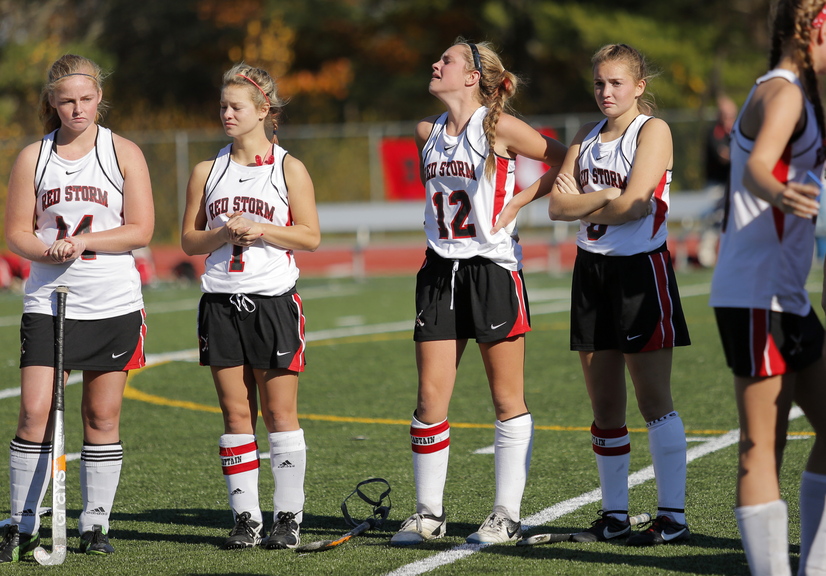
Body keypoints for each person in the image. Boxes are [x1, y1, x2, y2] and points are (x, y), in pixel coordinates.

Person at [390, 39, 567, 546]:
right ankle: (428, 514)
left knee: (506, 397)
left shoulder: (498, 126)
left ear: (472, 76)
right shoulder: (426, 131)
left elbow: (562, 159)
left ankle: (506, 515)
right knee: (429, 398)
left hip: (491, 269)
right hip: (438, 270)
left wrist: (518, 203)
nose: (435, 63)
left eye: (445, 60)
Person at [0, 54, 154, 561]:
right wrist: (48, 250)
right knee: (34, 411)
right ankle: (22, 522)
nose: (77, 109)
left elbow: (141, 230)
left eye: (86, 99)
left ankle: (95, 524)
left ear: (99, 98)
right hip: (50, 299)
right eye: (66, 100)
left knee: (101, 414)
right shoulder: (34, 158)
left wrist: (86, 240)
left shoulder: (123, 152)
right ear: (51, 102)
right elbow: (17, 231)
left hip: (111, 299)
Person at [548, 43, 691, 546]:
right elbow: (555, 209)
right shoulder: (585, 138)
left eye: (616, 83)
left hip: (640, 273)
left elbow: (633, 207)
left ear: (639, 86)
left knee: (654, 401)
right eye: (599, 83)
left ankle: (671, 517)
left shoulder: (652, 131)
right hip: (591, 273)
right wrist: (605, 197)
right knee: (605, 407)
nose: (606, 92)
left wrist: (592, 203)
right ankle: (614, 517)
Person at [181, 63, 320, 551]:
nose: (227, 114)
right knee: (234, 412)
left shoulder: (288, 167)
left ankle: (287, 518)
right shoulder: (207, 169)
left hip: (272, 302)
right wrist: (222, 233)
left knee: (280, 413)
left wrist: (262, 229)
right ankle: (246, 518)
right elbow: (188, 240)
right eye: (222, 106)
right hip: (219, 301)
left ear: (265, 111)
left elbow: (311, 236)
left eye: (236, 106)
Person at [708, 0, 826, 572]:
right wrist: (778, 192)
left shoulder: (809, 95)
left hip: (787, 295)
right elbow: (760, 165)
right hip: (755, 295)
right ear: (815, 27)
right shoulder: (782, 93)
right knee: (763, 445)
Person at [697, 94, 738, 268]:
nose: (728, 117)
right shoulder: (714, 132)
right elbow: (724, 156)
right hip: (716, 184)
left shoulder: (738, 129)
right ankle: (706, 258)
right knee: (712, 220)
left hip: (735, 183)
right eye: (724, 114)